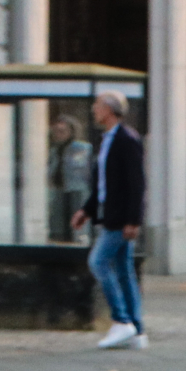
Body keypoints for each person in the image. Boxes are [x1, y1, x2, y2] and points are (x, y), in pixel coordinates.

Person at [71, 89, 147, 350]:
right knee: (124, 271)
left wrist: (133, 220)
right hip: (108, 211)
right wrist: (86, 210)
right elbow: (103, 184)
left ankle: (121, 320)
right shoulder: (107, 140)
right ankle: (136, 329)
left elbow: (136, 183)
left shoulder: (127, 139)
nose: (94, 109)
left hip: (120, 217)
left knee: (99, 261)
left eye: (98, 105)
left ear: (110, 110)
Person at [48, 114, 93, 237]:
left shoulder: (83, 148)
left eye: (62, 131)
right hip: (58, 190)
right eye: (56, 132)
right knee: (57, 224)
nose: (58, 135)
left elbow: (87, 169)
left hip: (77, 189)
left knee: (77, 222)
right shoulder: (54, 150)